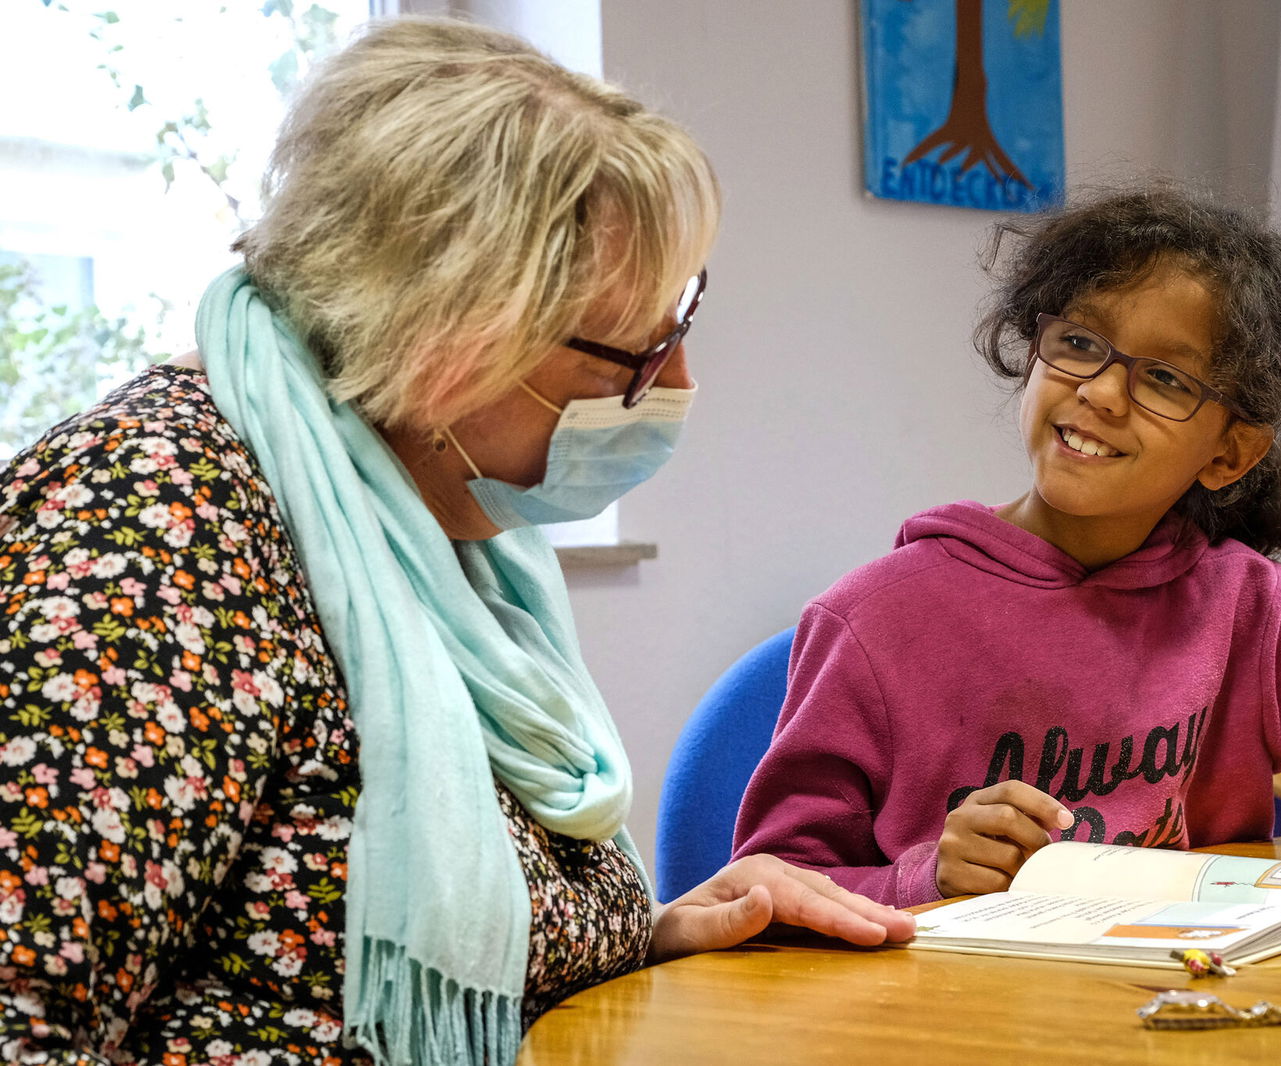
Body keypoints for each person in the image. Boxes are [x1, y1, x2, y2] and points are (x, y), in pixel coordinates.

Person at [0, 17, 912, 1066]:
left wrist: (651, 936)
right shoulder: (146, 528)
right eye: (638, 356)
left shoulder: (429, 517)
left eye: (683, 327)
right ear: (453, 344)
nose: (680, 389)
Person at [731, 186, 1281, 910]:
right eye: (1079, 343)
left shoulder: (1249, 611)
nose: (1099, 391)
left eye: (1165, 378)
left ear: (1230, 453)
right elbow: (768, 888)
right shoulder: (875, 619)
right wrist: (927, 877)